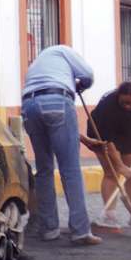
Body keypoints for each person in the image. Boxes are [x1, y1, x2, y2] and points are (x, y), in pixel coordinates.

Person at [22, 44, 100, 245]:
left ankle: (48, 229)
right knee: (70, 169)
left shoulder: (37, 63)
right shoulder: (64, 51)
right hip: (57, 101)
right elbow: (88, 74)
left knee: (44, 168)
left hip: (29, 106)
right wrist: (81, 85)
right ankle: (81, 231)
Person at [81, 80, 131, 230]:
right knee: (112, 173)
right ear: (118, 96)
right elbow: (108, 143)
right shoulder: (108, 107)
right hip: (101, 134)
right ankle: (108, 216)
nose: (128, 106)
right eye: (124, 103)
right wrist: (119, 165)